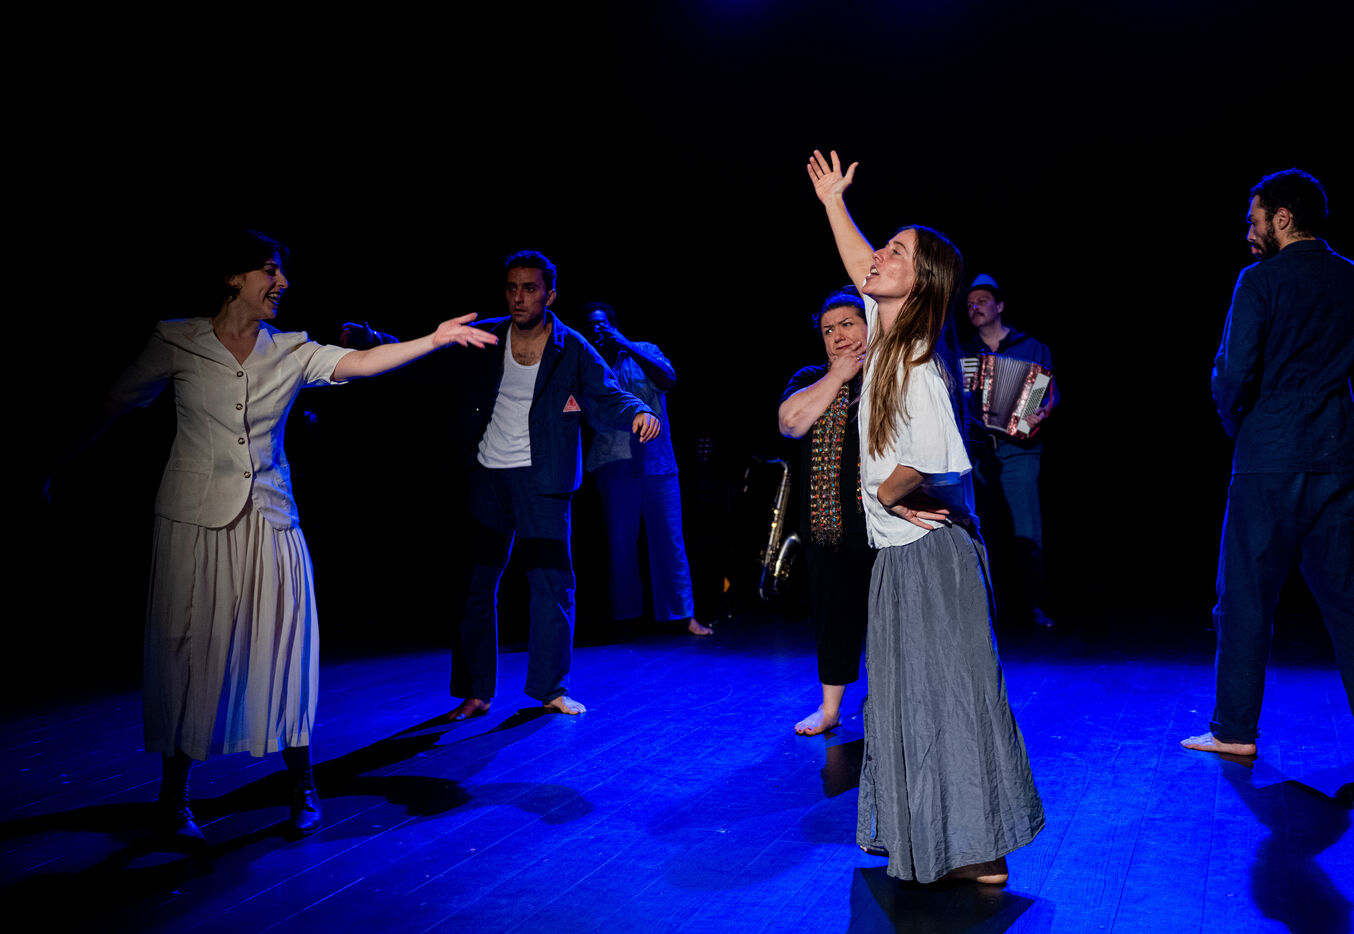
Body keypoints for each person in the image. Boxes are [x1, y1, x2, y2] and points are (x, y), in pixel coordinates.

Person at [96, 230, 497, 841]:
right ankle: (173, 798)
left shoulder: (290, 349)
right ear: (234, 277)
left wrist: (434, 339)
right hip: (193, 523)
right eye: (270, 270)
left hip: (270, 521)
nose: (281, 282)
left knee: (284, 650)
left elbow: (360, 364)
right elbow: (115, 401)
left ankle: (302, 784)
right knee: (188, 653)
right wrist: (52, 463)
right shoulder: (177, 341)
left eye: (281, 272)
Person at [808, 149, 1043, 885]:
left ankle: (983, 850)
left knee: (952, 699)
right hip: (902, 556)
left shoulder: (915, 359)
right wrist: (833, 203)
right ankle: (943, 843)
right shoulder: (886, 335)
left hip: (931, 557)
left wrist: (886, 493)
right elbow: (862, 269)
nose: (876, 257)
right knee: (908, 701)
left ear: (921, 285)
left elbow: (937, 454)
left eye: (895, 253)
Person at [1182, 169, 1354, 757]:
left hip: (1269, 455)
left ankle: (1234, 732)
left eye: (1254, 221)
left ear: (1282, 218)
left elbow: (1232, 372)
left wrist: (1238, 423)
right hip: (1338, 454)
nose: (1249, 233)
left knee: (1245, 597)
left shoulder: (1258, 280)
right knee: (1348, 602)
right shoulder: (1350, 277)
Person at [448, 252, 661, 721]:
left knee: (552, 585)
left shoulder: (572, 347)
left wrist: (640, 412)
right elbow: (431, 354)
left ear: (550, 295)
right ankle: (475, 691)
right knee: (476, 584)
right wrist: (371, 340)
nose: (518, 297)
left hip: (543, 477)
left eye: (529, 288)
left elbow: (608, 394)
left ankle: (551, 688)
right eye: (512, 288)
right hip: (488, 475)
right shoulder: (489, 335)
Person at [583, 302, 712, 637]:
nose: (597, 331)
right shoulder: (586, 361)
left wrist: (624, 344)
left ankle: (682, 616)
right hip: (614, 460)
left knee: (670, 539)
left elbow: (668, 379)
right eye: (591, 326)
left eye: (602, 324)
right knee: (621, 544)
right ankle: (626, 619)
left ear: (613, 324)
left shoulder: (643, 350)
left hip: (657, 460)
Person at [778, 288, 874, 736]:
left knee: (893, 619)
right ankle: (830, 709)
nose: (837, 336)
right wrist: (837, 376)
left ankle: (895, 702)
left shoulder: (891, 372)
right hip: (830, 523)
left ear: (870, 324)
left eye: (847, 324)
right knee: (834, 618)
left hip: (886, 521)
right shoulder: (812, 377)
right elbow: (790, 423)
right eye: (828, 330)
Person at [962, 274, 1059, 628]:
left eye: (982, 301)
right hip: (979, 452)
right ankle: (988, 607)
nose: (974, 307)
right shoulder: (965, 352)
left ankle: (1034, 604)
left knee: (1026, 528)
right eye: (969, 304)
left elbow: (1046, 393)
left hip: (1020, 447)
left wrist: (1040, 412)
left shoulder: (1030, 347)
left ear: (1000, 306)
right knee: (984, 529)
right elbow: (961, 400)